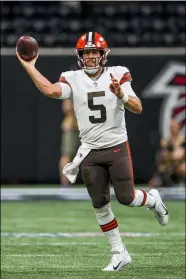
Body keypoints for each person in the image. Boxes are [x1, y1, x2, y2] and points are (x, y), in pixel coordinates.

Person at [16, 31, 169, 272]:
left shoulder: (118, 73)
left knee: (127, 198)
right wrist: (29, 66)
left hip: (117, 145)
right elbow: (50, 91)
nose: (90, 58)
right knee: (99, 203)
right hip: (89, 150)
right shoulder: (72, 77)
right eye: (86, 53)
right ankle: (120, 253)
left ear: (102, 54)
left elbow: (137, 107)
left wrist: (121, 94)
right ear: (80, 56)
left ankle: (152, 200)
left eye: (94, 53)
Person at [148, 119, 185, 187]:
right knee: (153, 184)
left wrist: (169, 155)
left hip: (178, 168)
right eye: (171, 127)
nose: (172, 129)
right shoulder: (165, 141)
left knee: (183, 168)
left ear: (178, 127)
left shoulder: (182, 140)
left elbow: (179, 155)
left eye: (174, 127)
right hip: (167, 168)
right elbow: (161, 156)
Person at [59, 99, 80, 187]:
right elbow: (67, 105)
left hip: (85, 126)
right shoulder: (73, 87)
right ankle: (65, 185)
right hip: (72, 126)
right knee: (67, 156)